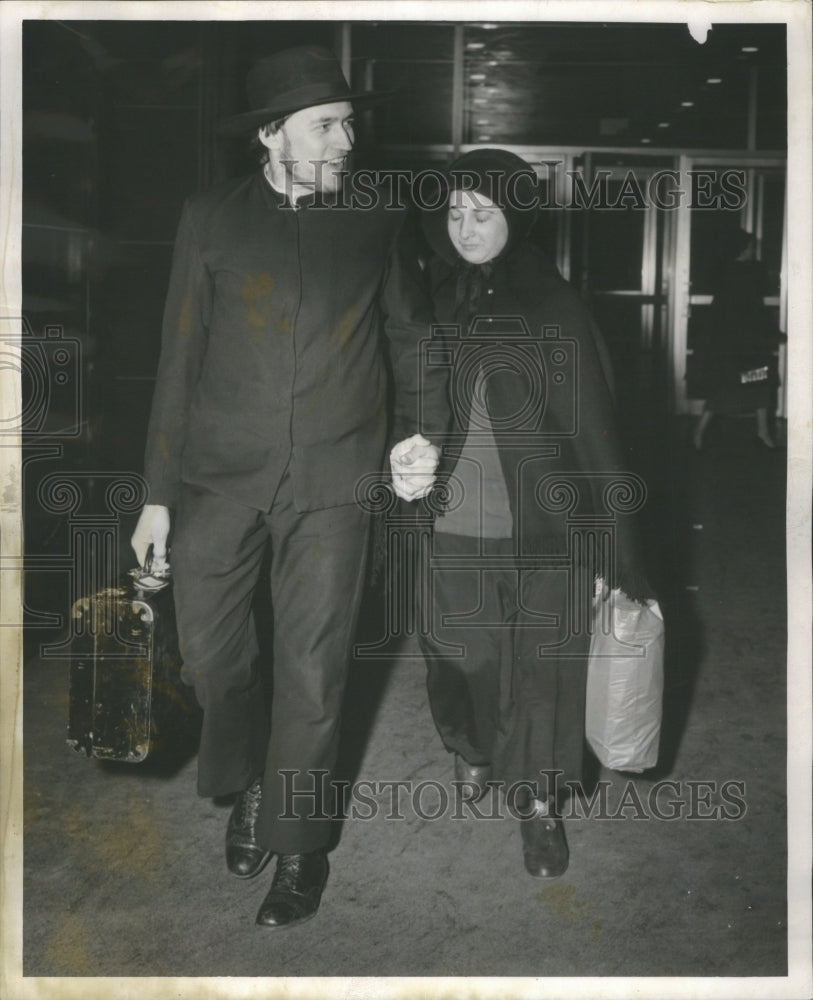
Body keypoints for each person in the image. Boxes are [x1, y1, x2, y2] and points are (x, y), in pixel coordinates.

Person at [130, 45, 445, 929]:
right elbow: (177, 361)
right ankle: (250, 783)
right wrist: (156, 494)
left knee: (312, 669)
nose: (346, 139)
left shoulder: (378, 217)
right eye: (324, 124)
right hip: (216, 481)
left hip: (334, 485)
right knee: (211, 659)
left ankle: (300, 846)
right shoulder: (210, 217)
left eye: (348, 121)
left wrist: (418, 435)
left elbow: (413, 341)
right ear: (271, 136)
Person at [415, 148, 651, 878]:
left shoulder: (556, 306)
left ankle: (539, 805)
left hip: (546, 527)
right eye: (454, 211)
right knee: (466, 656)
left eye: (481, 212)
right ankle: (471, 743)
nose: (465, 227)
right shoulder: (429, 301)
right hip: (451, 521)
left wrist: (618, 559)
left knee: (543, 673)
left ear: (516, 217)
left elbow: (597, 437)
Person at [691, 228, 784, 450]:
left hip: (734, 345)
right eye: (751, 246)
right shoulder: (748, 274)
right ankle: (701, 432)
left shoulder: (726, 273)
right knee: (753, 383)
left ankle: (759, 433)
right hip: (745, 346)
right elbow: (756, 311)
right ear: (742, 249)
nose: (753, 250)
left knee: (737, 386)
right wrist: (772, 333)